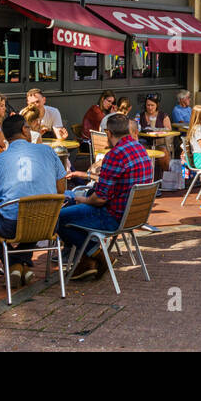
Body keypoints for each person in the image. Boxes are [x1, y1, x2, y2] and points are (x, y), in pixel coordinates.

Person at [59, 112, 154, 281]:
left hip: (113, 217)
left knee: (58, 218)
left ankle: (100, 256)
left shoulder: (115, 154)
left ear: (108, 133)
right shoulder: (140, 148)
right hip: (134, 216)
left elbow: (100, 199)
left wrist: (82, 199)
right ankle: (88, 261)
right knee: (77, 204)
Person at [0, 113, 67, 288]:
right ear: (24, 130)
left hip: (12, 225)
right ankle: (21, 264)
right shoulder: (48, 151)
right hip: (49, 222)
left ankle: (14, 265)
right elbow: (61, 189)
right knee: (32, 218)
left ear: (5, 135)